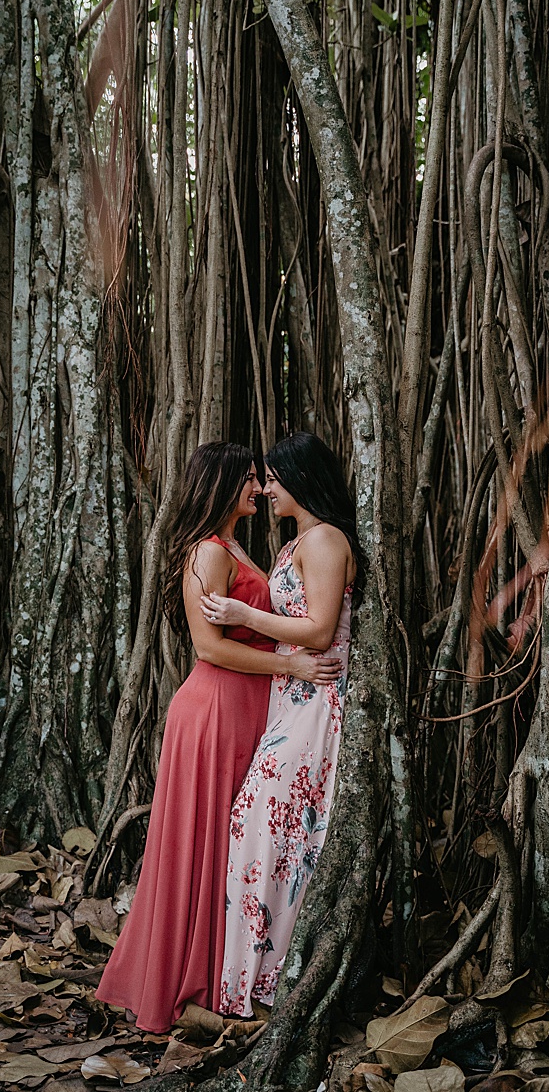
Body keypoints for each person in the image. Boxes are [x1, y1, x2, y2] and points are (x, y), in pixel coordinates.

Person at [95, 442, 342, 1034]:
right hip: (215, 709)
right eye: (250, 479)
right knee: (206, 841)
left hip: (254, 708)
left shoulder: (239, 548)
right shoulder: (207, 552)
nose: (259, 488)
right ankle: (185, 982)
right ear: (223, 484)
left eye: (266, 479)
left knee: (227, 849)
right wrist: (292, 668)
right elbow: (207, 646)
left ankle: (219, 972)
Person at [200, 433, 359, 1018]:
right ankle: (255, 979)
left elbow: (319, 631)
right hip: (291, 693)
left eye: (273, 478)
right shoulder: (296, 545)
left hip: (319, 697)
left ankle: (275, 979)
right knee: (271, 829)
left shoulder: (324, 540)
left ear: (300, 479)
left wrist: (245, 614)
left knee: (274, 827)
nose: (265, 489)